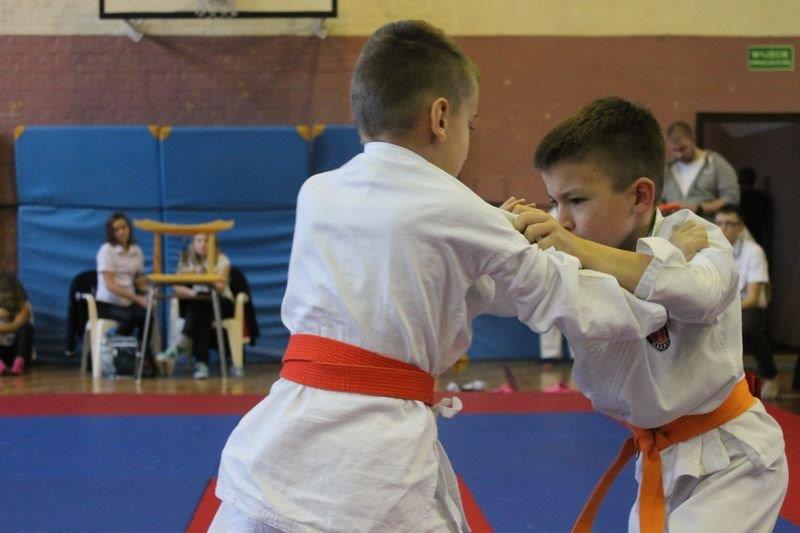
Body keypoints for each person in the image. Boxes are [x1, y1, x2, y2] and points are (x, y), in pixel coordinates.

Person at [210, 21, 669, 532]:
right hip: (371, 449)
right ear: (442, 117)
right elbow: (564, 295)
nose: (469, 139)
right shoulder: (458, 207)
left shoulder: (317, 192)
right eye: (472, 125)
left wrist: (494, 235)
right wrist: (665, 294)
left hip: (286, 430)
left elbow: (441, 280)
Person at [514, 97, 787, 532]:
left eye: (576, 200)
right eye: (554, 202)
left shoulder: (698, 235)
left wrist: (577, 248)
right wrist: (505, 231)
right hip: (659, 457)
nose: (561, 220)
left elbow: (700, 295)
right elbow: (518, 291)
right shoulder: (576, 255)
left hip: (732, 461)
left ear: (640, 196)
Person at [714, 204, 778, 399]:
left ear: (741, 227)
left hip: (747, 306)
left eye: (729, 224)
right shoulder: (710, 249)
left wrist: (723, 309)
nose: (723, 228)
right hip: (718, 303)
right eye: (719, 223)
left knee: (748, 326)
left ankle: (770, 374)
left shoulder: (753, 251)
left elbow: (752, 297)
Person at [157, 233, 235, 380]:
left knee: (202, 304)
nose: (203, 244)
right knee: (201, 310)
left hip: (222, 302)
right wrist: (191, 292)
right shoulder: (186, 259)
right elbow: (176, 286)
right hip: (199, 303)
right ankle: (201, 363)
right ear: (193, 243)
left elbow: (220, 287)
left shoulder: (222, 259)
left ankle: (182, 345)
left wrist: (205, 277)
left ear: (213, 244)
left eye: (207, 240)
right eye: (199, 240)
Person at [95, 212, 152, 358]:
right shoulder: (106, 250)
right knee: (131, 316)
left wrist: (149, 291)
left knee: (147, 316)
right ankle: (113, 350)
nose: (121, 232)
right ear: (111, 232)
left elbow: (138, 280)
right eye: (116, 229)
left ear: (129, 228)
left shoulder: (136, 250)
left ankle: (143, 354)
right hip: (108, 304)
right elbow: (110, 285)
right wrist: (137, 298)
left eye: (124, 227)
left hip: (128, 302)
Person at [661, 121, 739, 219]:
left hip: (707, 224)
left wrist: (700, 208)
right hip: (674, 226)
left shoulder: (714, 162)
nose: (679, 155)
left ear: (693, 140)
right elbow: (659, 199)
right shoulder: (666, 169)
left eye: (682, 149)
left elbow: (732, 198)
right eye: (674, 150)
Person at [0, 272, 34, 376]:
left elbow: (17, 325)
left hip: (14, 349)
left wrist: (9, 325)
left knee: (27, 327)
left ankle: (19, 362)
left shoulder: (24, 306)